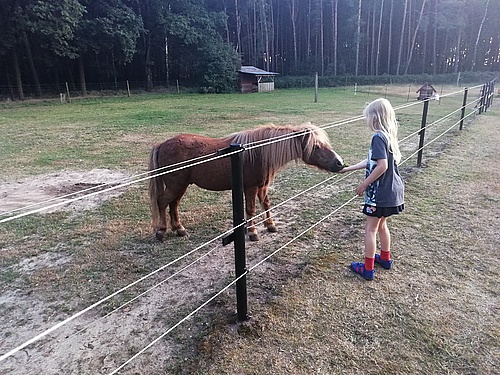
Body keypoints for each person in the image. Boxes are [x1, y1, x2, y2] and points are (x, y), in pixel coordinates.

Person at [339, 98, 405, 280]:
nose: (367, 120)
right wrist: (348, 168)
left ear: (375, 117)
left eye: (368, 116)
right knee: (382, 225)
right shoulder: (388, 135)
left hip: (379, 194)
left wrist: (364, 184)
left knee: (370, 229)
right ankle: (385, 258)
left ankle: (368, 269)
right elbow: (373, 161)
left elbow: (381, 166)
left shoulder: (377, 137)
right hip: (392, 192)